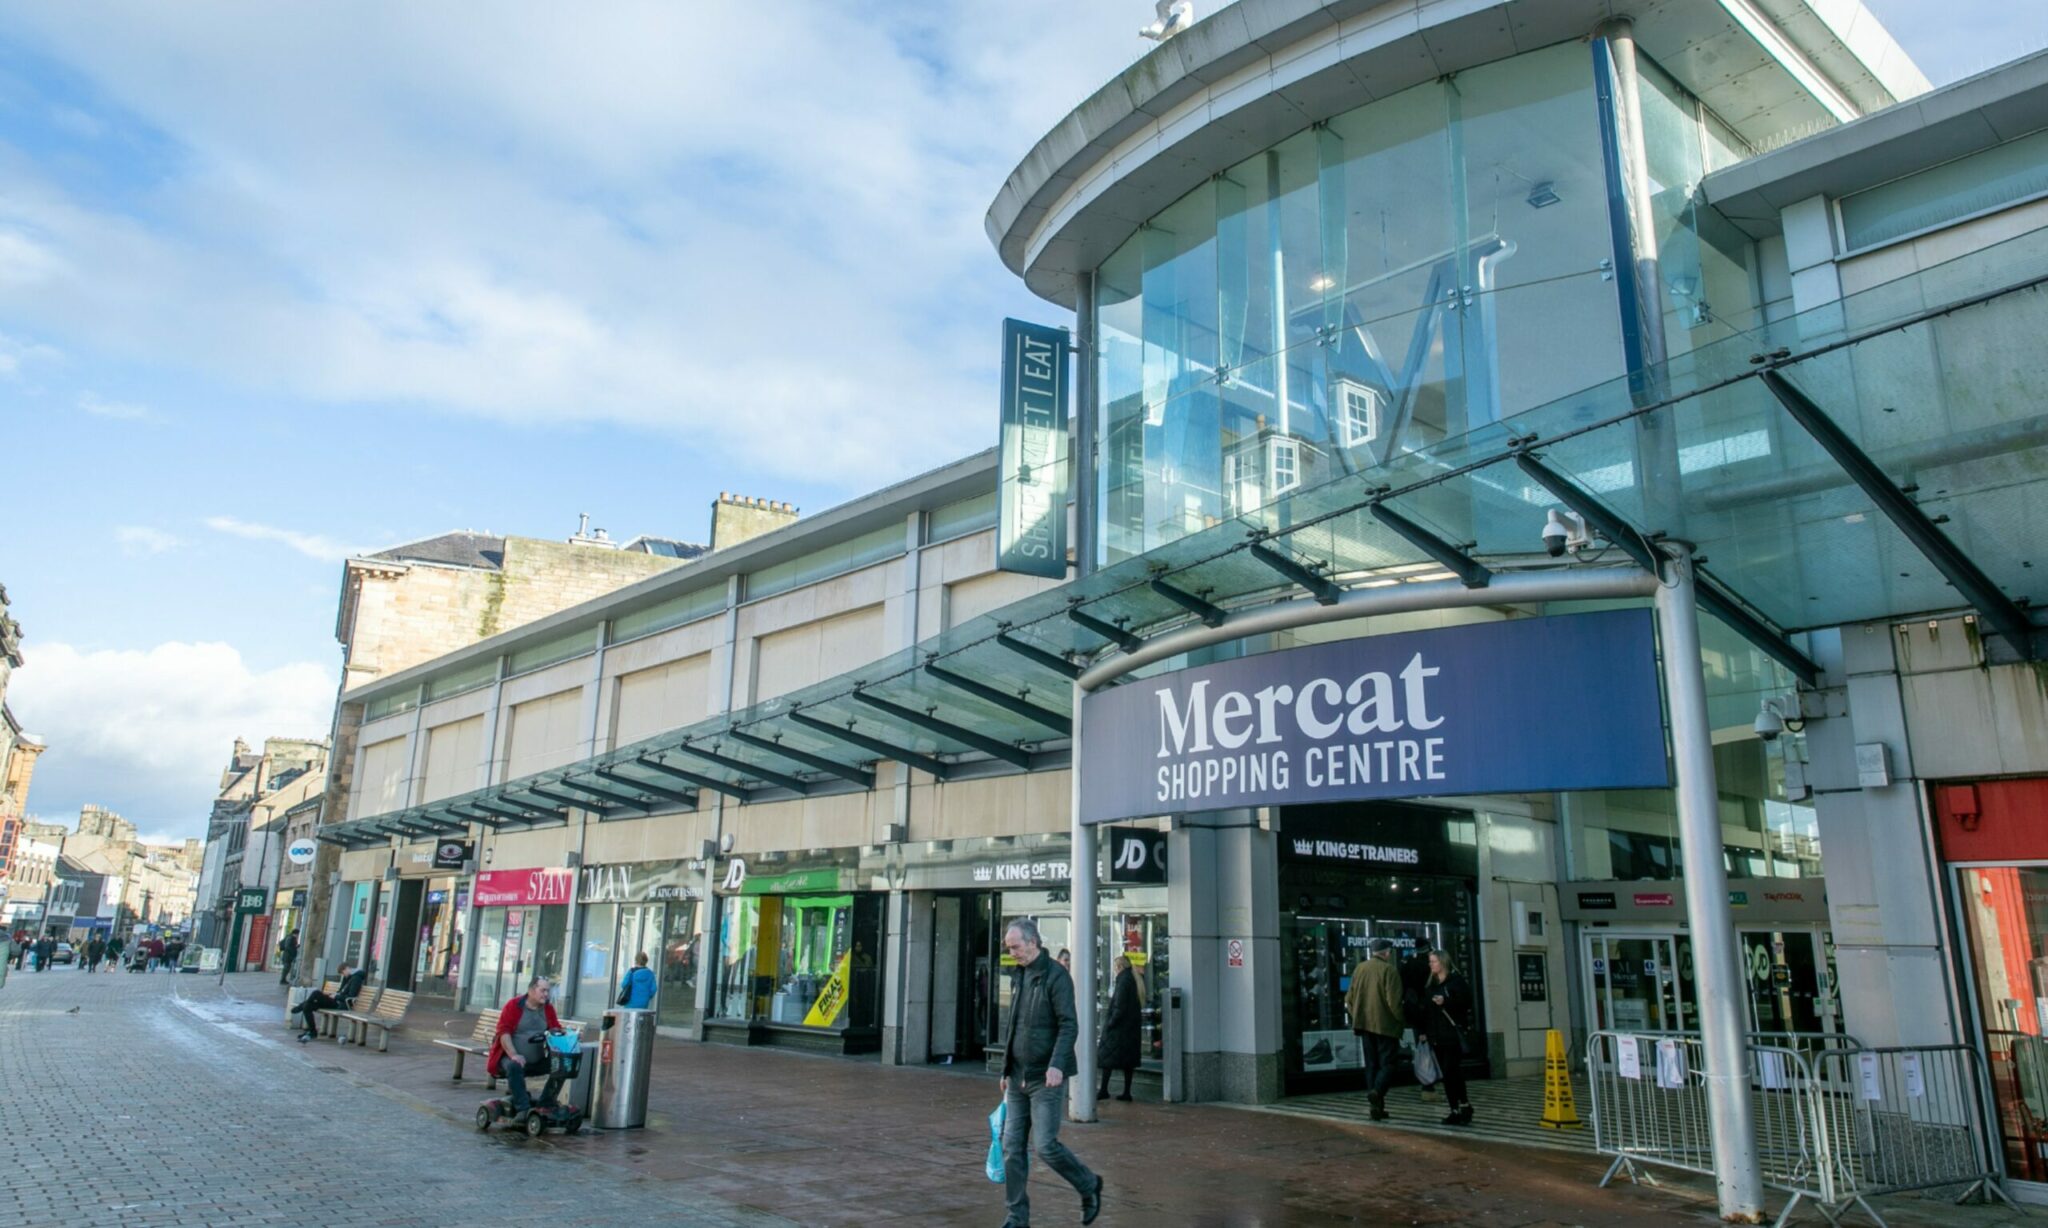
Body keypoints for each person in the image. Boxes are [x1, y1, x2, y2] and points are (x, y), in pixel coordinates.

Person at [999, 918, 1103, 1228]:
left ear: (1033, 942)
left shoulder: (1057, 977)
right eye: (1009, 948)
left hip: (1045, 1077)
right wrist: (1005, 1068)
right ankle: (1016, 1217)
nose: (1012, 953)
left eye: (1015, 947)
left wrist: (1057, 1064)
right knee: (1010, 1148)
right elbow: (1013, 1025)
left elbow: (1069, 1024)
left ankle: (1088, 1184)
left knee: (1045, 1146)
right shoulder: (1019, 976)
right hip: (1017, 1077)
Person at [1344, 937, 1405, 1122]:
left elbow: (1349, 998)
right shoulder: (1389, 970)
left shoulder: (1360, 968)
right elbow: (1393, 1002)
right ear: (1387, 952)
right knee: (1389, 1064)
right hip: (1385, 1025)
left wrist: (1357, 1015)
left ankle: (1376, 1108)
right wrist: (1401, 1020)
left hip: (1364, 1025)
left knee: (1371, 1065)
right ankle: (1377, 1092)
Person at [489, 976, 564, 1120]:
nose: (546, 995)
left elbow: (555, 1028)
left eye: (548, 991)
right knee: (514, 1066)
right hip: (510, 1057)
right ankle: (522, 1109)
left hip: (538, 1059)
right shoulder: (514, 1006)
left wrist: (567, 1034)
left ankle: (546, 1104)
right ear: (531, 990)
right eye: (543, 990)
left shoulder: (548, 1008)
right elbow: (503, 1033)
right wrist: (514, 1054)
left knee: (561, 1065)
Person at [1423, 949, 1476, 1126]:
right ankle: (1456, 1108)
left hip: (1452, 1034)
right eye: (1430, 961)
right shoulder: (1431, 985)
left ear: (1443, 963)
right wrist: (1425, 1032)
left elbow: (1466, 1003)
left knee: (1451, 1070)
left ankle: (1463, 1105)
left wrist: (1446, 1001)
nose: (1431, 964)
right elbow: (1427, 1011)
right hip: (1437, 1035)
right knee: (1447, 1074)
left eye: (1434, 961)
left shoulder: (1455, 982)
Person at [1097, 955, 1143, 1103]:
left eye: (1115, 968)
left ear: (1119, 967)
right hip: (1130, 1029)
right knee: (1128, 1063)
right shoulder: (1134, 979)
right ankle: (1126, 1092)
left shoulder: (1123, 981)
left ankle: (1104, 1089)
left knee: (1106, 1058)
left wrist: (1110, 1023)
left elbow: (1119, 1006)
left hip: (1119, 1029)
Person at [293, 961, 368, 1042]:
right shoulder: (348, 977)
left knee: (316, 993)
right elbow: (341, 991)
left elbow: (350, 996)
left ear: (347, 969)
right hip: (335, 1000)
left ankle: (301, 1006)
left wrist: (336, 996)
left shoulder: (356, 979)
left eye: (343, 973)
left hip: (341, 1004)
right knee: (307, 1006)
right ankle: (312, 1032)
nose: (343, 975)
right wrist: (333, 994)